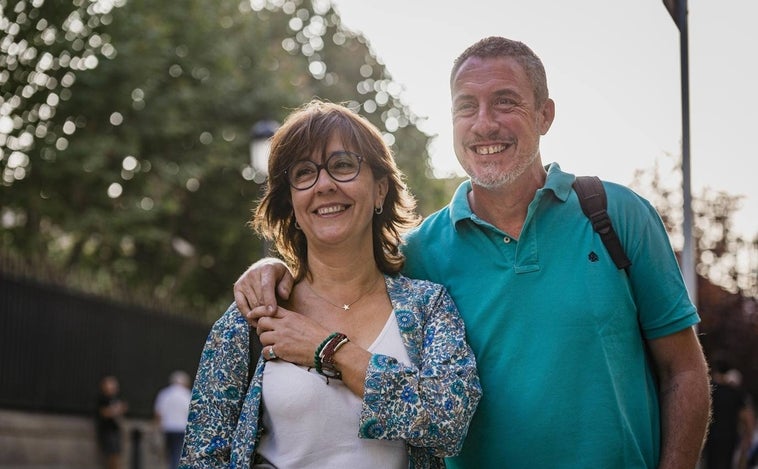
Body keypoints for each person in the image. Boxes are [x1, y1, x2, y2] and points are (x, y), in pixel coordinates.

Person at [233, 36, 712, 468]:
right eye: (467, 106)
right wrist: (272, 267)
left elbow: (684, 370)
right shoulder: (419, 253)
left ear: (545, 114)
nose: (485, 124)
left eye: (505, 102)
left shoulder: (616, 215)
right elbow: (335, 271)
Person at [179, 100, 481, 468]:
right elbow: (202, 457)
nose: (323, 184)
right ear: (290, 202)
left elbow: (447, 423)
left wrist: (330, 351)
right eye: (304, 173)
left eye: (342, 165)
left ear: (380, 189)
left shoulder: (428, 307)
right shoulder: (253, 313)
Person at [703, 357, 756, 469]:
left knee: (710, 464)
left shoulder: (708, 392)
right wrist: (748, 436)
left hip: (710, 436)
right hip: (729, 437)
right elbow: (746, 417)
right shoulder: (735, 392)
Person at [153, 370, 192, 469]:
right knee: (177, 453)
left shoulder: (164, 393)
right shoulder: (188, 394)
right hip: (181, 428)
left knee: (168, 454)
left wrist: (157, 427)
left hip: (167, 427)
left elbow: (158, 413)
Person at [95, 375, 128, 469]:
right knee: (111, 455)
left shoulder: (115, 398)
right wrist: (116, 410)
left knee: (117, 454)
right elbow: (104, 413)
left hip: (115, 429)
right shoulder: (102, 399)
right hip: (107, 430)